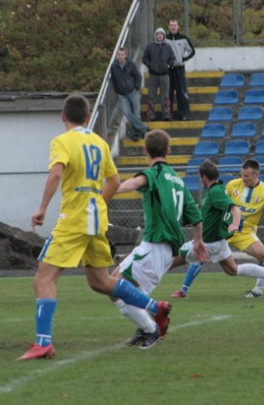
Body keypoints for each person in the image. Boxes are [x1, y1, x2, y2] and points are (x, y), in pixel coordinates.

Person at [17, 95, 171, 360]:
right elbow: (114, 180)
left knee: (44, 279)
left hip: (74, 219)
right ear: (88, 118)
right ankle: (154, 307)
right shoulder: (99, 143)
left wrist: (42, 208)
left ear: (63, 116)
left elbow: (56, 173)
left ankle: (44, 343)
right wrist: (96, 202)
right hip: (96, 219)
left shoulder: (62, 141)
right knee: (101, 282)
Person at [109, 129, 208, 347]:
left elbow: (133, 184)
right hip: (158, 247)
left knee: (119, 291)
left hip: (155, 246)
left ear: (145, 150)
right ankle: (145, 328)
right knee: (114, 284)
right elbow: (196, 217)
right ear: (168, 151)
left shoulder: (154, 174)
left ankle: (151, 329)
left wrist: (103, 193)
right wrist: (198, 241)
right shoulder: (179, 181)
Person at [170, 159, 264, 298]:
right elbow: (219, 199)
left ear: (256, 175)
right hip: (224, 232)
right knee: (218, 263)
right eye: (242, 175)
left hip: (245, 232)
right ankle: (184, 289)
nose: (243, 178)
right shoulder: (232, 185)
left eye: (246, 176)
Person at [110, 47, 147, 141]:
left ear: (125, 55)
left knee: (136, 113)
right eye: (119, 54)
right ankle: (143, 128)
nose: (120, 56)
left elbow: (138, 76)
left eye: (122, 54)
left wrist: (136, 87)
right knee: (126, 112)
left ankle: (136, 134)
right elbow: (113, 79)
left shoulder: (131, 64)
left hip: (132, 91)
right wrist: (117, 89)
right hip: (122, 94)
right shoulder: (114, 66)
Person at [142, 27, 175, 121]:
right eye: (158, 34)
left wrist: (168, 65)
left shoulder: (168, 47)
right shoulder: (150, 46)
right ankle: (151, 115)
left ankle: (166, 115)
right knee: (151, 96)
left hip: (165, 75)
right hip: (153, 75)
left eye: (161, 34)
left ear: (164, 36)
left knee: (165, 96)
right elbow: (144, 59)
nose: (159, 36)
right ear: (155, 35)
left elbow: (172, 58)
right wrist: (150, 65)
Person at [165, 19, 195, 121]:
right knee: (168, 92)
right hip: (168, 69)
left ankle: (184, 114)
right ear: (168, 27)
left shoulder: (183, 38)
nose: (173, 27)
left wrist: (184, 58)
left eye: (175, 25)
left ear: (178, 27)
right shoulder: (165, 39)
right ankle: (168, 114)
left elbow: (192, 51)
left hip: (179, 68)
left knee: (181, 92)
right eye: (171, 25)